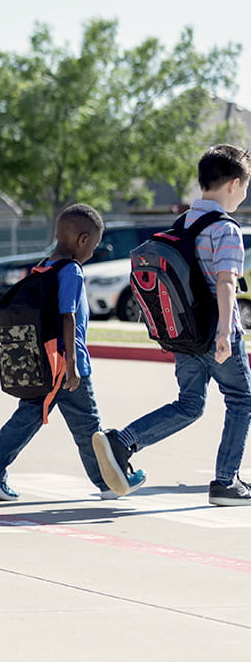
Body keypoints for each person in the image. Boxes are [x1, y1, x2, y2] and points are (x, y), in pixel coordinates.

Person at [94, 144, 251, 506]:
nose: (245, 194)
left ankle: (123, 441)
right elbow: (226, 282)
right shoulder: (226, 229)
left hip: (184, 333)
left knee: (190, 403)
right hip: (215, 331)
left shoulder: (185, 223)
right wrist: (226, 332)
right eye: (245, 186)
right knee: (242, 399)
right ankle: (226, 481)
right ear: (233, 184)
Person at [0, 204, 137, 501]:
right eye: (95, 245)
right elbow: (67, 316)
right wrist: (72, 365)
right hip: (66, 365)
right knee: (89, 427)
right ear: (83, 240)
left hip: (44, 361)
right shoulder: (72, 270)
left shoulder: (44, 265)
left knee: (33, 417)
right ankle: (107, 483)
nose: (93, 252)